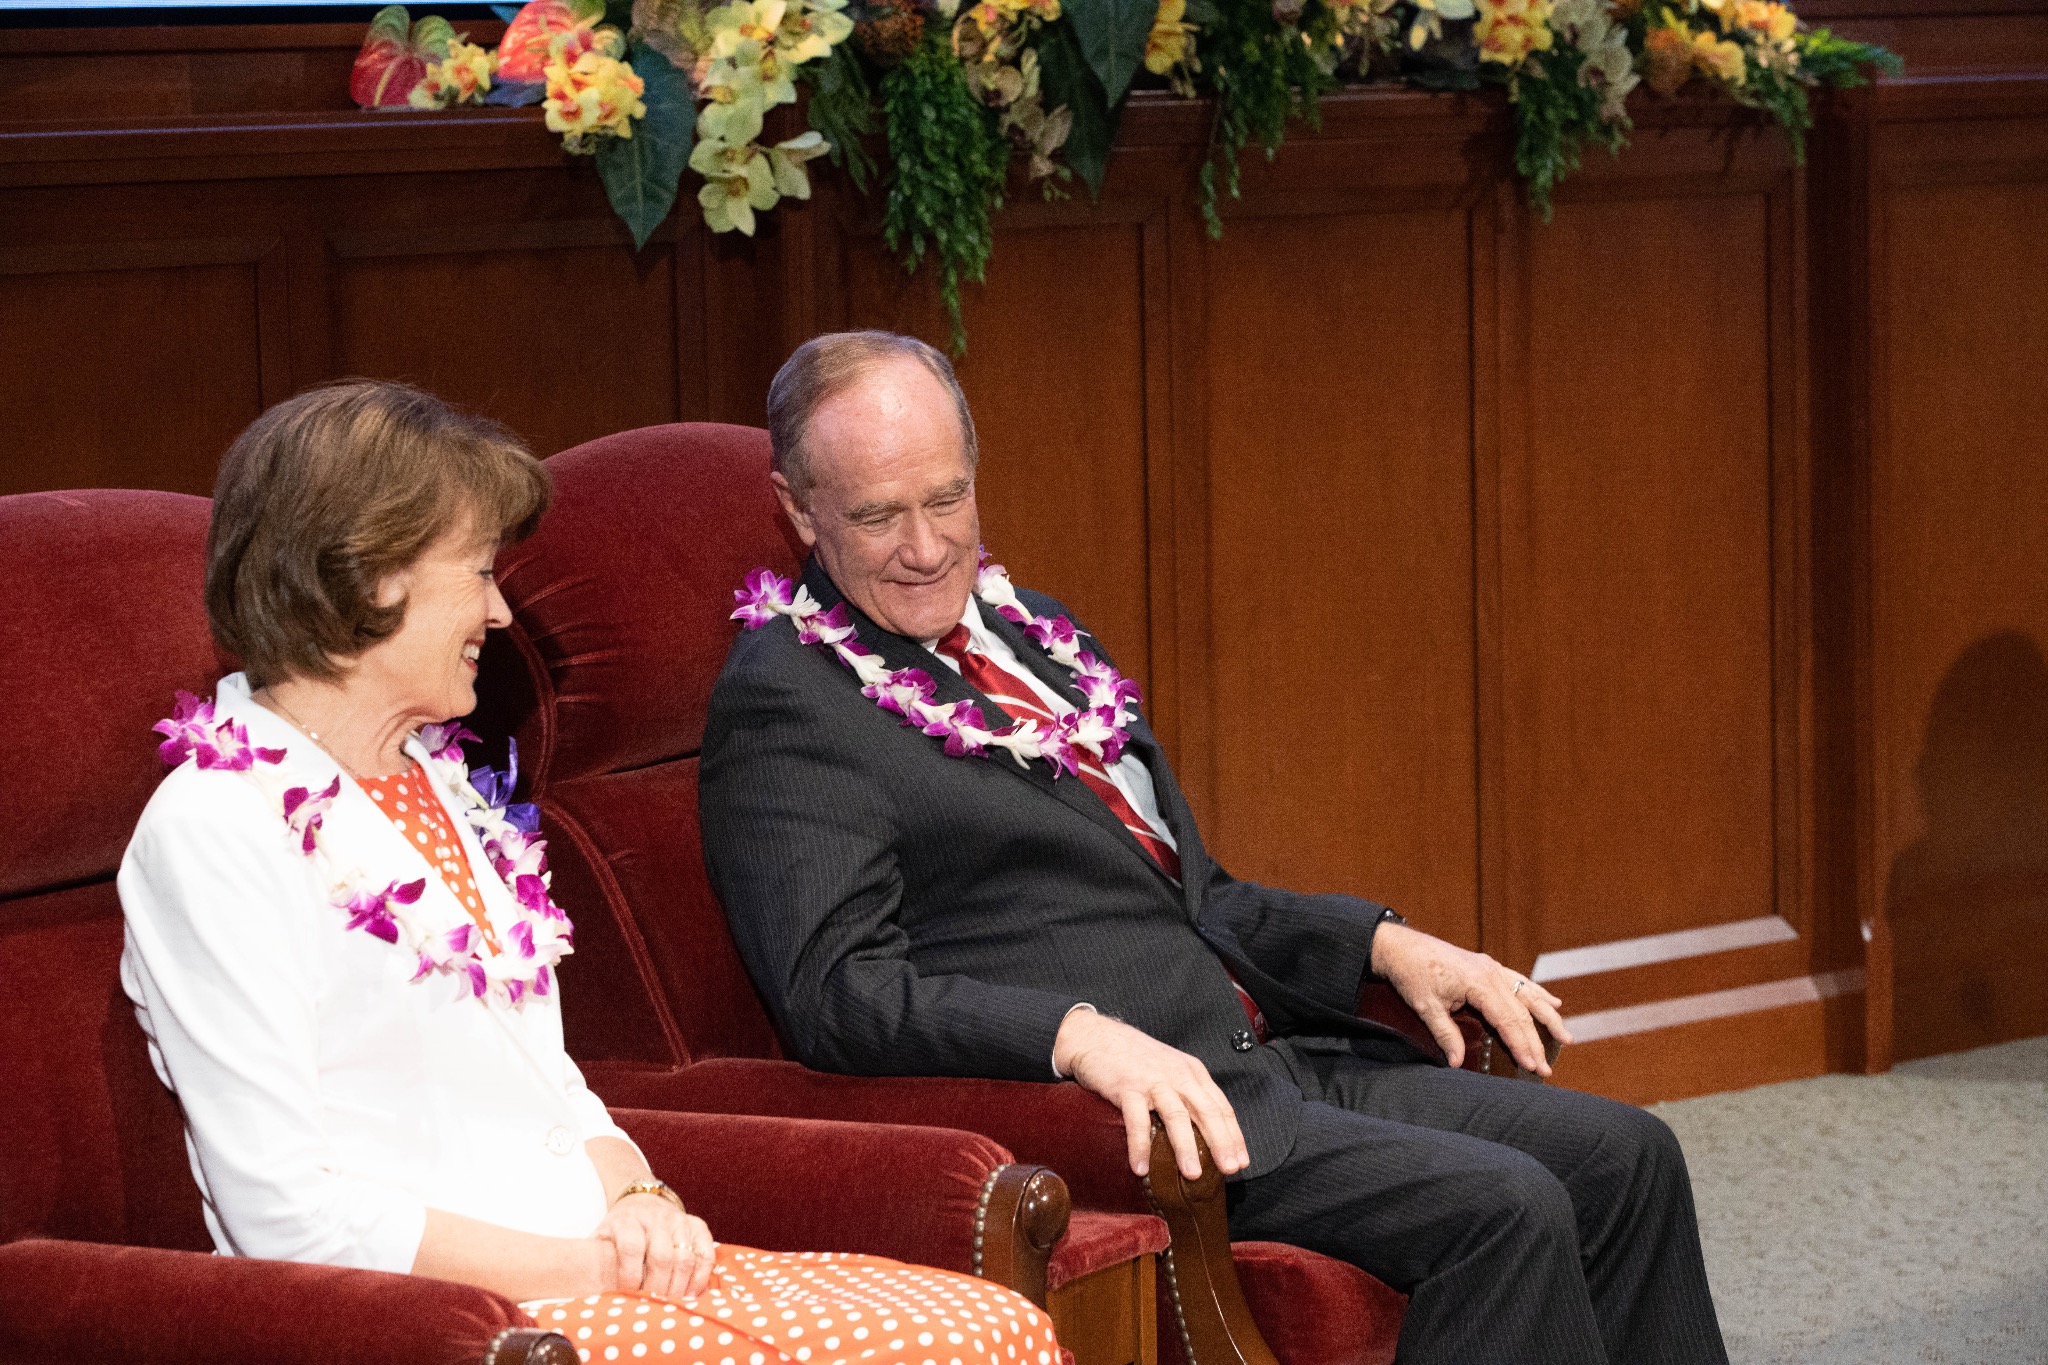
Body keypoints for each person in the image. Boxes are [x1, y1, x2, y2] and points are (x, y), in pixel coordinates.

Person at [699, 332, 1730, 1365]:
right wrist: (1074, 1035)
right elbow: (837, 989)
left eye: (947, 498)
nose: (926, 548)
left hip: (1269, 1058)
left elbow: (1197, 899)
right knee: (1507, 1207)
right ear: (800, 511)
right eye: (878, 516)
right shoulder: (790, 699)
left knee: (1630, 1156)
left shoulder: (1031, 632)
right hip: (1150, 1123)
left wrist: (1385, 945)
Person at [117, 379, 1061, 1365]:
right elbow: (286, 1215)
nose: (497, 611)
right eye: (477, 572)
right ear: (369, 578)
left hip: (593, 1277)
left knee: (989, 1327)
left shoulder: (440, 782)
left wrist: (640, 1196)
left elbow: (550, 1082)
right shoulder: (215, 829)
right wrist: (592, 1269)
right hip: (442, 1323)